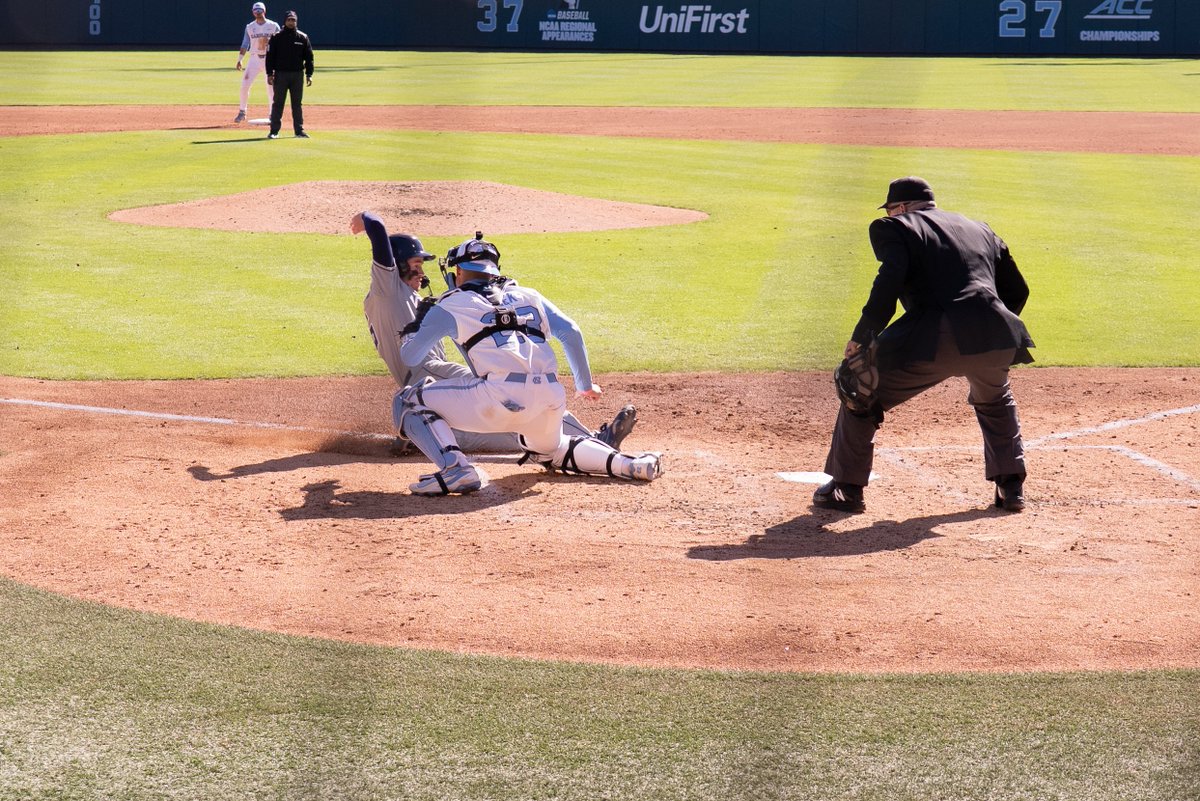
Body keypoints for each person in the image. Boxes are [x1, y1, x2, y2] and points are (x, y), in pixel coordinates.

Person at [813, 176, 1035, 513]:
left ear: (900, 207)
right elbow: (1018, 291)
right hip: (999, 330)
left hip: (935, 334)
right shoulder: (980, 228)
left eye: (892, 208)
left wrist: (863, 335)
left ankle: (847, 488)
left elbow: (889, 280)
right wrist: (983, 330)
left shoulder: (895, 226)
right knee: (995, 397)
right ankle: (1011, 488)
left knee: (860, 390)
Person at [350, 211, 639, 460]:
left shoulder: (410, 297)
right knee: (513, 412)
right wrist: (363, 219)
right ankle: (589, 442)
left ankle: (419, 429)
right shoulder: (387, 291)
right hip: (430, 374)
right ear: (397, 265)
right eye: (416, 264)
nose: (421, 272)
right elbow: (376, 227)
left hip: (432, 375)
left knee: (507, 410)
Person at [394, 234, 663, 495]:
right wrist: (584, 385)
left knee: (407, 401)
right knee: (552, 449)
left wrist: (415, 327)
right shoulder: (529, 295)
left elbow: (411, 358)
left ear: (460, 272)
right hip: (549, 397)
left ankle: (455, 468)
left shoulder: (451, 303)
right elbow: (571, 332)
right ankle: (632, 464)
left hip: (497, 399)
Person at [264, 10, 314, 140]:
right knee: (278, 103)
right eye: (289, 20)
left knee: (297, 104)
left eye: (293, 20)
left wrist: (309, 74)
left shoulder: (302, 37)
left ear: (296, 22)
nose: (291, 22)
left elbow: (309, 58)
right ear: (285, 21)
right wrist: (269, 73)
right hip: (281, 75)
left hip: (297, 75)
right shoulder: (276, 37)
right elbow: (270, 57)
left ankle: (299, 130)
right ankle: (274, 131)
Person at [233, 2, 279, 124]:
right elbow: (245, 44)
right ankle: (242, 112)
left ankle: (273, 114)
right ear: (253, 12)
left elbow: (281, 43)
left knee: (271, 88)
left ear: (264, 11)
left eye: (260, 10)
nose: (258, 13)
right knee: (244, 85)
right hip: (254, 59)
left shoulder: (273, 26)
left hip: (270, 59)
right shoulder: (250, 27)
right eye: (256, 11)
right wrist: (240, 59)